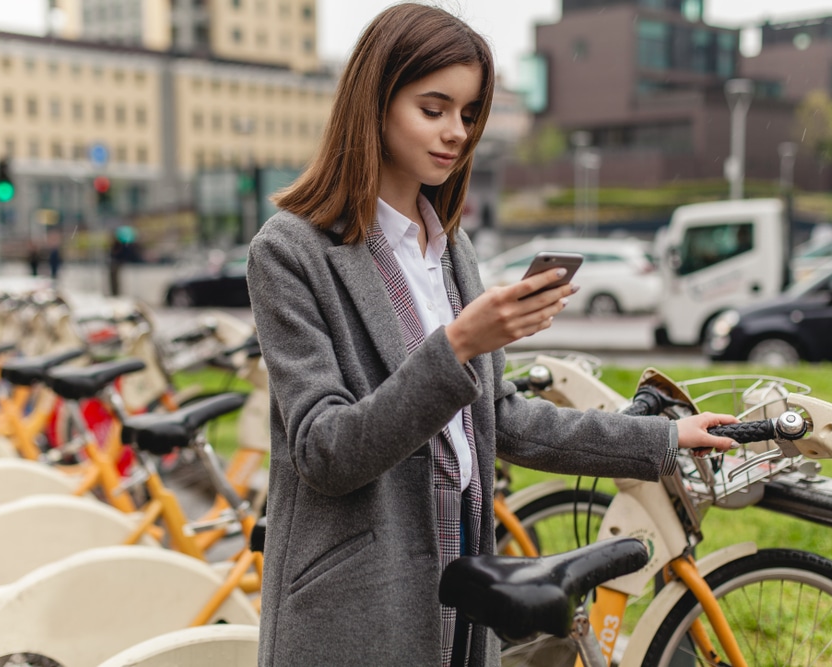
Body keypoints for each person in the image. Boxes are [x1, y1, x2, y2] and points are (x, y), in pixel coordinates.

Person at [246, 5, 738, 666]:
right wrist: (457, 347)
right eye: (434, 108)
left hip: (457, 573)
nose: (457, 132)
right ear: (375, 101)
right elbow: (325, 450)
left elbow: (500, 419)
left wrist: (662, 437)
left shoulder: (451, 249)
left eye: (470, 113)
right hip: (357, 598)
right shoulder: (290, 250)